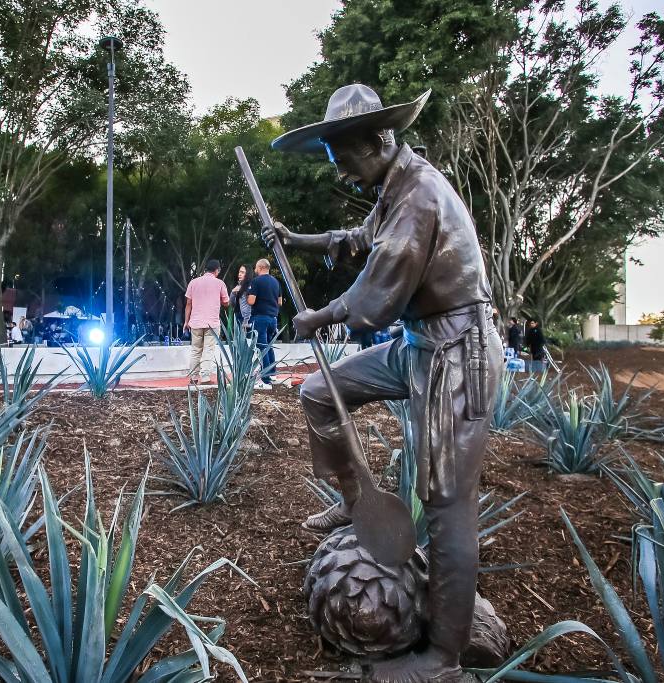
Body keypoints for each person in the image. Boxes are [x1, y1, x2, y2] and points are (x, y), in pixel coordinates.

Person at [265, 83, 503, 683]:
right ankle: (357, 506)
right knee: (320, 393)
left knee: (448, 504)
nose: (341, 172)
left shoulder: (420, 196)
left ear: (376, 142)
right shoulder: (393, 187)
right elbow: (358, 242)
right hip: (417, 345)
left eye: (344, 159)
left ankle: (444, 654)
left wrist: (319, 316)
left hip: (457, 353)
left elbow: (376, 296)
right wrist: (296, 241)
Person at [183, 258, 230, 384]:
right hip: (212, 323)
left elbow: (188, 303)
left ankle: (193, 378)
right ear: (217, 270)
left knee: (195, 349)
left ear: (205, 270)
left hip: (195, 322)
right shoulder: (220, 283)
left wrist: (186, 321)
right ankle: (205, 377)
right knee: (208, 349)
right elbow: (226, 302)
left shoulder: (193, 282)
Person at [246, 258, 282, 388]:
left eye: (256, 267)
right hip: (273, 318)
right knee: (270, 345)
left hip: (260, 318)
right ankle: (272, 373)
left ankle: (265, 378)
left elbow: (251, 301)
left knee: (262, 347)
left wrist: (247, 295)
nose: (255, 270)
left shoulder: (256, 282)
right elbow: (280, 302)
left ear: (260, 267)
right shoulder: (276, 282)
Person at [229, 264, 254, 330]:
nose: (239, 274)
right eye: (239, 272)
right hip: (238, 315)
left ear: (248, 274)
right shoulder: (238, 286)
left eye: (242, 272)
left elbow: (250, 304)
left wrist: (246, 320)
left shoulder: (251, 286)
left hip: (246, 318)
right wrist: (233, 293)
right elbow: (232, 304)